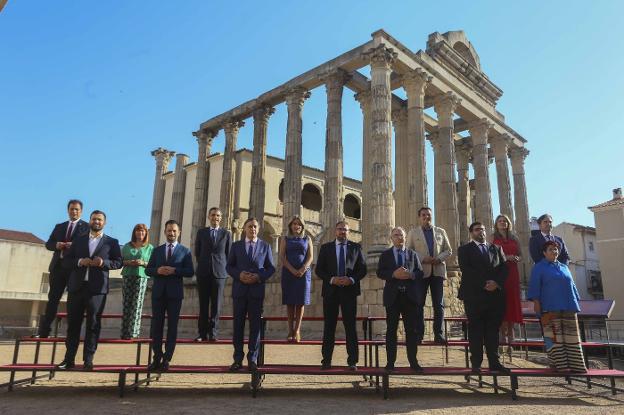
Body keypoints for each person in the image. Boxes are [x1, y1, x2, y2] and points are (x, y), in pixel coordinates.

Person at [56, 210, 122, 370]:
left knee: (93, 324)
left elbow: (119, 262)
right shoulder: (78, 240)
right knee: (73, 325)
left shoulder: (111, 242)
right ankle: (68, 359)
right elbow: (66, 262)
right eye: (94, 219)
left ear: (104, 223)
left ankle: (88, 360)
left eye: (100, 220)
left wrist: (103, 263)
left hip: (97, 289)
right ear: (90, 221)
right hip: (77, 288)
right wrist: (79, 261)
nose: (97, 222)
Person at [457, 221, 509, 374]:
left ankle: (494, 362)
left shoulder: (497, 249)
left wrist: (496, 283)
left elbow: (504, 269)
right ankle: (476, 364)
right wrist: (484, 284)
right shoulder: (464, 250)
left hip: (494, 296)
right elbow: (466, 270)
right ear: (471, 232)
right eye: (477, 229)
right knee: (475, 330)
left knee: (493, 331)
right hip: (474, 295)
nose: (481, 232)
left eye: (483, 229)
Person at [315, 220, 367, 370]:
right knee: (329, 326)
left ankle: (352, 361)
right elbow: (319, 270)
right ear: (335, 231)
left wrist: (351, 279)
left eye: (345, 230)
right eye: (340, 229)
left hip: (349, 292)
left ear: (348, 232)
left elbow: (362, 270)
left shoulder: (356, 248)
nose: (342, 232)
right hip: (331, 292)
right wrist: (332, 279)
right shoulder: (326, 248)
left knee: (350, 326)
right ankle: (326, 361)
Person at [527, 240, 586, 372]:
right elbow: (535, 286)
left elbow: (572, 285)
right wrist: (536, 303)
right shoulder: (539, 267)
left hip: (568, 305)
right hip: (549, 307)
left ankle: (576, 365)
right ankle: (560, 365)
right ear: (544, 252)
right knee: (553, 337)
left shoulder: (564, 267)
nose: (554, 251)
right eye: (550, 249)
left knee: (571, 335)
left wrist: (576, 300)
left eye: (556, 249)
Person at [226, 217, 276, 372]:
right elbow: (229, 266)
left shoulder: (265, 246)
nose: (252, 229)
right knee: (238, 326)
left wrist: (259, 277)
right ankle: (237, 359)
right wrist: (239, 275)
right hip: (240, 291)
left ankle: (252, 359)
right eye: (249, 226)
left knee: (255, 327)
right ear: (244, 229)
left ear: (258, 229)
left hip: (256, 291)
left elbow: (271, 268)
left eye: (255, 227)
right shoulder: (236, 246)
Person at [145, 220, 194, 372]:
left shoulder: (185, 251)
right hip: (158, 293)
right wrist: (157, 271)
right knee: (156, 327)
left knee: (172, 327)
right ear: (164, 232)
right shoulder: (157, 250)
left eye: (174, 231)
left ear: (179, 232)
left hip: (175, 294)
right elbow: (148, 270)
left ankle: (167, 358)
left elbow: (190, 272)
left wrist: (174, 271)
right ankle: (157, 357)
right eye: (169, 230)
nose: (171, 233)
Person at [36, 199, 89, 338]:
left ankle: (71, 333)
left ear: (81, 211)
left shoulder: (86, 228)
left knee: (73, 301)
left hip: (74, 269)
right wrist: (57, 245)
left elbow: (88, 247)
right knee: (53, 299)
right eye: (72, 209)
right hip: (58, 267)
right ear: (68, 210)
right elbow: (48, 244)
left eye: (77, 209)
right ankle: (44, 332)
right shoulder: (59, 226)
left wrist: (74, 246)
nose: (74, 211)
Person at [376, 227, 424, 372]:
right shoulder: (385, 255)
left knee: (412, 331)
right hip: (393, 298)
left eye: (401, 235)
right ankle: (390, 363)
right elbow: (380, 272)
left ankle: (413, 362)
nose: (399, 237)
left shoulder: (412, 254)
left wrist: (411, 275)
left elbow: (420, 273)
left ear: (405, 237)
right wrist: (393, 274)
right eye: (396, 235)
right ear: (391, 238)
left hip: (410, 298)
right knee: (391, 331)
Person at [406, 207, 452, 344]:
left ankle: (438, 334)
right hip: (421, 272)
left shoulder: (441, 231)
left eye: (429, 215)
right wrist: (423, 258)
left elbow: (448, 250)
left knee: (439, 304)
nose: (427, 217)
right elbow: (409, 251)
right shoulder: (413, 233)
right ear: (419, 217)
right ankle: (419, 334)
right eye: (424, 215)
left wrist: (438, 259)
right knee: (418, 303)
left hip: (437, 271)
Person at [194, 207, 232, 341]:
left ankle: (213, 333)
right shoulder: (201, 232)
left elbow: (228, 254)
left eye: (218, 216)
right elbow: (197, 252)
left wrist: (221, 267)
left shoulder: (226, 234)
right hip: (203, 272)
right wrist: (205, 263)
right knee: (203, 304)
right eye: (213, 215)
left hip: (219, 273)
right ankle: (202, 333)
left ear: (221, 218)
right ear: (208, 217)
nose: (215, 218)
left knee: (216, 305)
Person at [280, 215, 313, 342]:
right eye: (294, 223)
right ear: (290, 226)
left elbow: (310, 257)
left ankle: (297, 330)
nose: (296, 226)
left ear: (302, 226)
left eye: (299, 224)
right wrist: (292, 270)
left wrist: (303, 269)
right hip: (288, 273)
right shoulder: (285, 239)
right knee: (289, 302)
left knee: (300, 302)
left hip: (303, 274)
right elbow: (282, 257)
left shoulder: (307, 238)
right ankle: (290, 330)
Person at [491, 214, 523, 345]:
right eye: (500, 221)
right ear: (496, 224)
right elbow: (490, 255)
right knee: (501, 301)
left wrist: (517, 258)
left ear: (508, 223)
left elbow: (520, 254)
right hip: (499, 272)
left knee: (512, 301)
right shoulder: (492, 238)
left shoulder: (514, 238)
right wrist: (506, 257)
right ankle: (501, 332)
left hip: (513, 272)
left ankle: (511, 331)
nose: (502, 223)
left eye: (504, 221)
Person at [120, 224, 153, 339]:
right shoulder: (127, 246)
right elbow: (120, 261)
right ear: (134, 233)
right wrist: (130, 262)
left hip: (141, 276)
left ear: (146, 233)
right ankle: (124, 332)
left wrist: (143, 263)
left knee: (137, 303)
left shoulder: (150, 248)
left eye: (143, 231)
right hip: (128, 275)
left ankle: (133, 333)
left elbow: (153, 264)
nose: (140, 233)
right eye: (138, 231)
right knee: (127, 304)